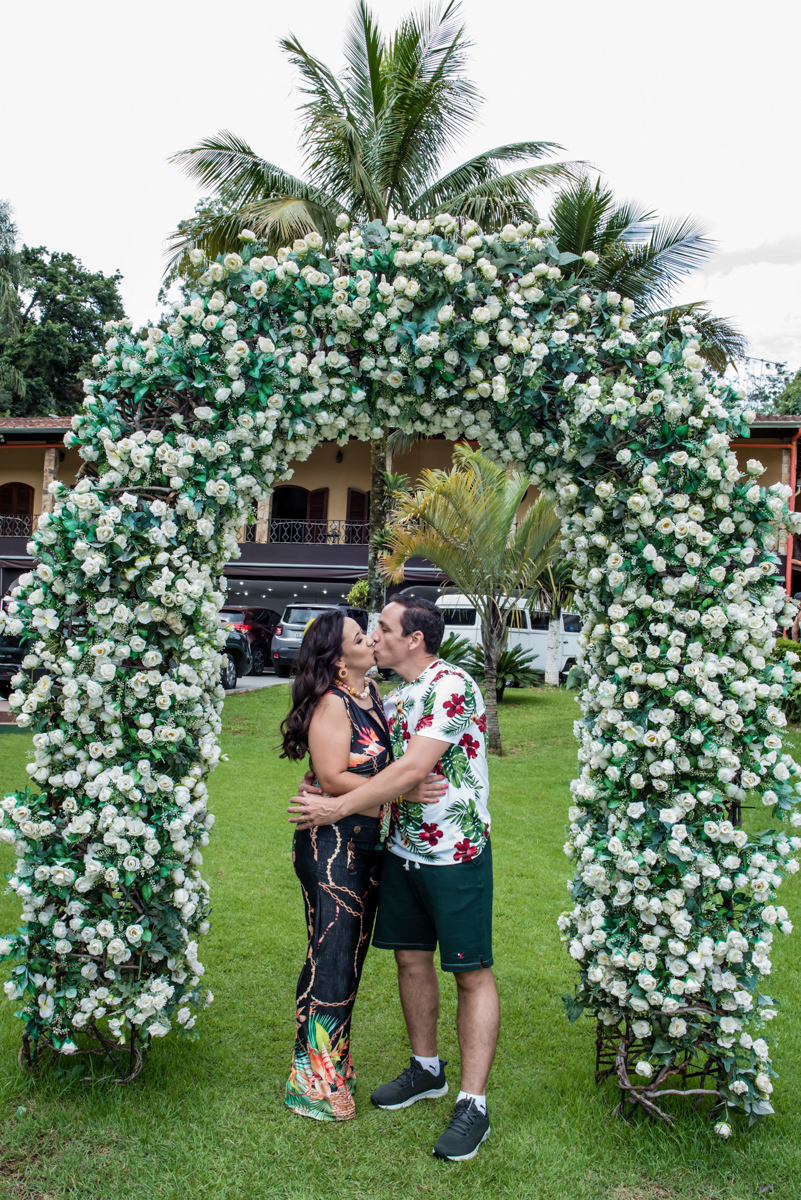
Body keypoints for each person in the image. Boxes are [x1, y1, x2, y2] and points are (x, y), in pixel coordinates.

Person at [289, 596, 498, 1162]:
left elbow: (408, 770)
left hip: (456, 854)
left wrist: (336, 805)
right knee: (410, 960)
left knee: (471, 973)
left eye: (383, 628)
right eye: (370, 629)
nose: (374, 636)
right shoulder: (396, 697)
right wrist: (324, 781)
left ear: (414, 640)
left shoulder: (450, 685)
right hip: (402, 852)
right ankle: (426, 1069)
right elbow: (356, 752)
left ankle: (472, 1104)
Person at [279, 609, 443, 1123]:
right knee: (332, 955)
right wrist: (404, 788)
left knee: (348, 959)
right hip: (333, 843)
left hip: (371, 842)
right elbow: (328, 778)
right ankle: (313, 1084)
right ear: (336, 659)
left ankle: (332, 1065)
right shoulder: (332, 703)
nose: (371, 639)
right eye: (359, 637)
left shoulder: (372, 696)